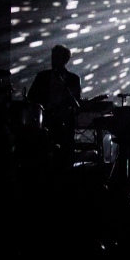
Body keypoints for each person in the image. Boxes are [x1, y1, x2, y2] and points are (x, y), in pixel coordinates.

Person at [26, 44, 82, 177]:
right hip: (43, 120)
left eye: (56, 57)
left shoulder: (73, 79)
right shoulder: (42, 76)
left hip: (63, 121)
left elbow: (75, 102)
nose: (53, 60)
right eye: (53, 57)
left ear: (64, 60)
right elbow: (31, 97)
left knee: (62, 157)